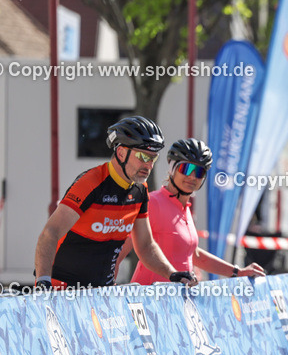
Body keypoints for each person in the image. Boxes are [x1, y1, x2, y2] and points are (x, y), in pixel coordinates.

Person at [34, 116, 196, 289]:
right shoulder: (91, 183)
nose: (149, 165)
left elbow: (146, 246)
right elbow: (50, 233)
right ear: (120, 153)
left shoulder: (140, 190)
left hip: (102, 291)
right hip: (63, 290)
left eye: (153, 158)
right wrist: (44, 280)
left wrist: (172, 274)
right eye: (142, 156)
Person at [128, 139, 266, 284]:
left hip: (177, 302)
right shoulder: (153, 202)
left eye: (199, 172)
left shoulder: (184, 208)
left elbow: (194, 255)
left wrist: (237, 272)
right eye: (186, 169)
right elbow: (122, 247)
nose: (192, 176)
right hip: (150, 301)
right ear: (172, 169)